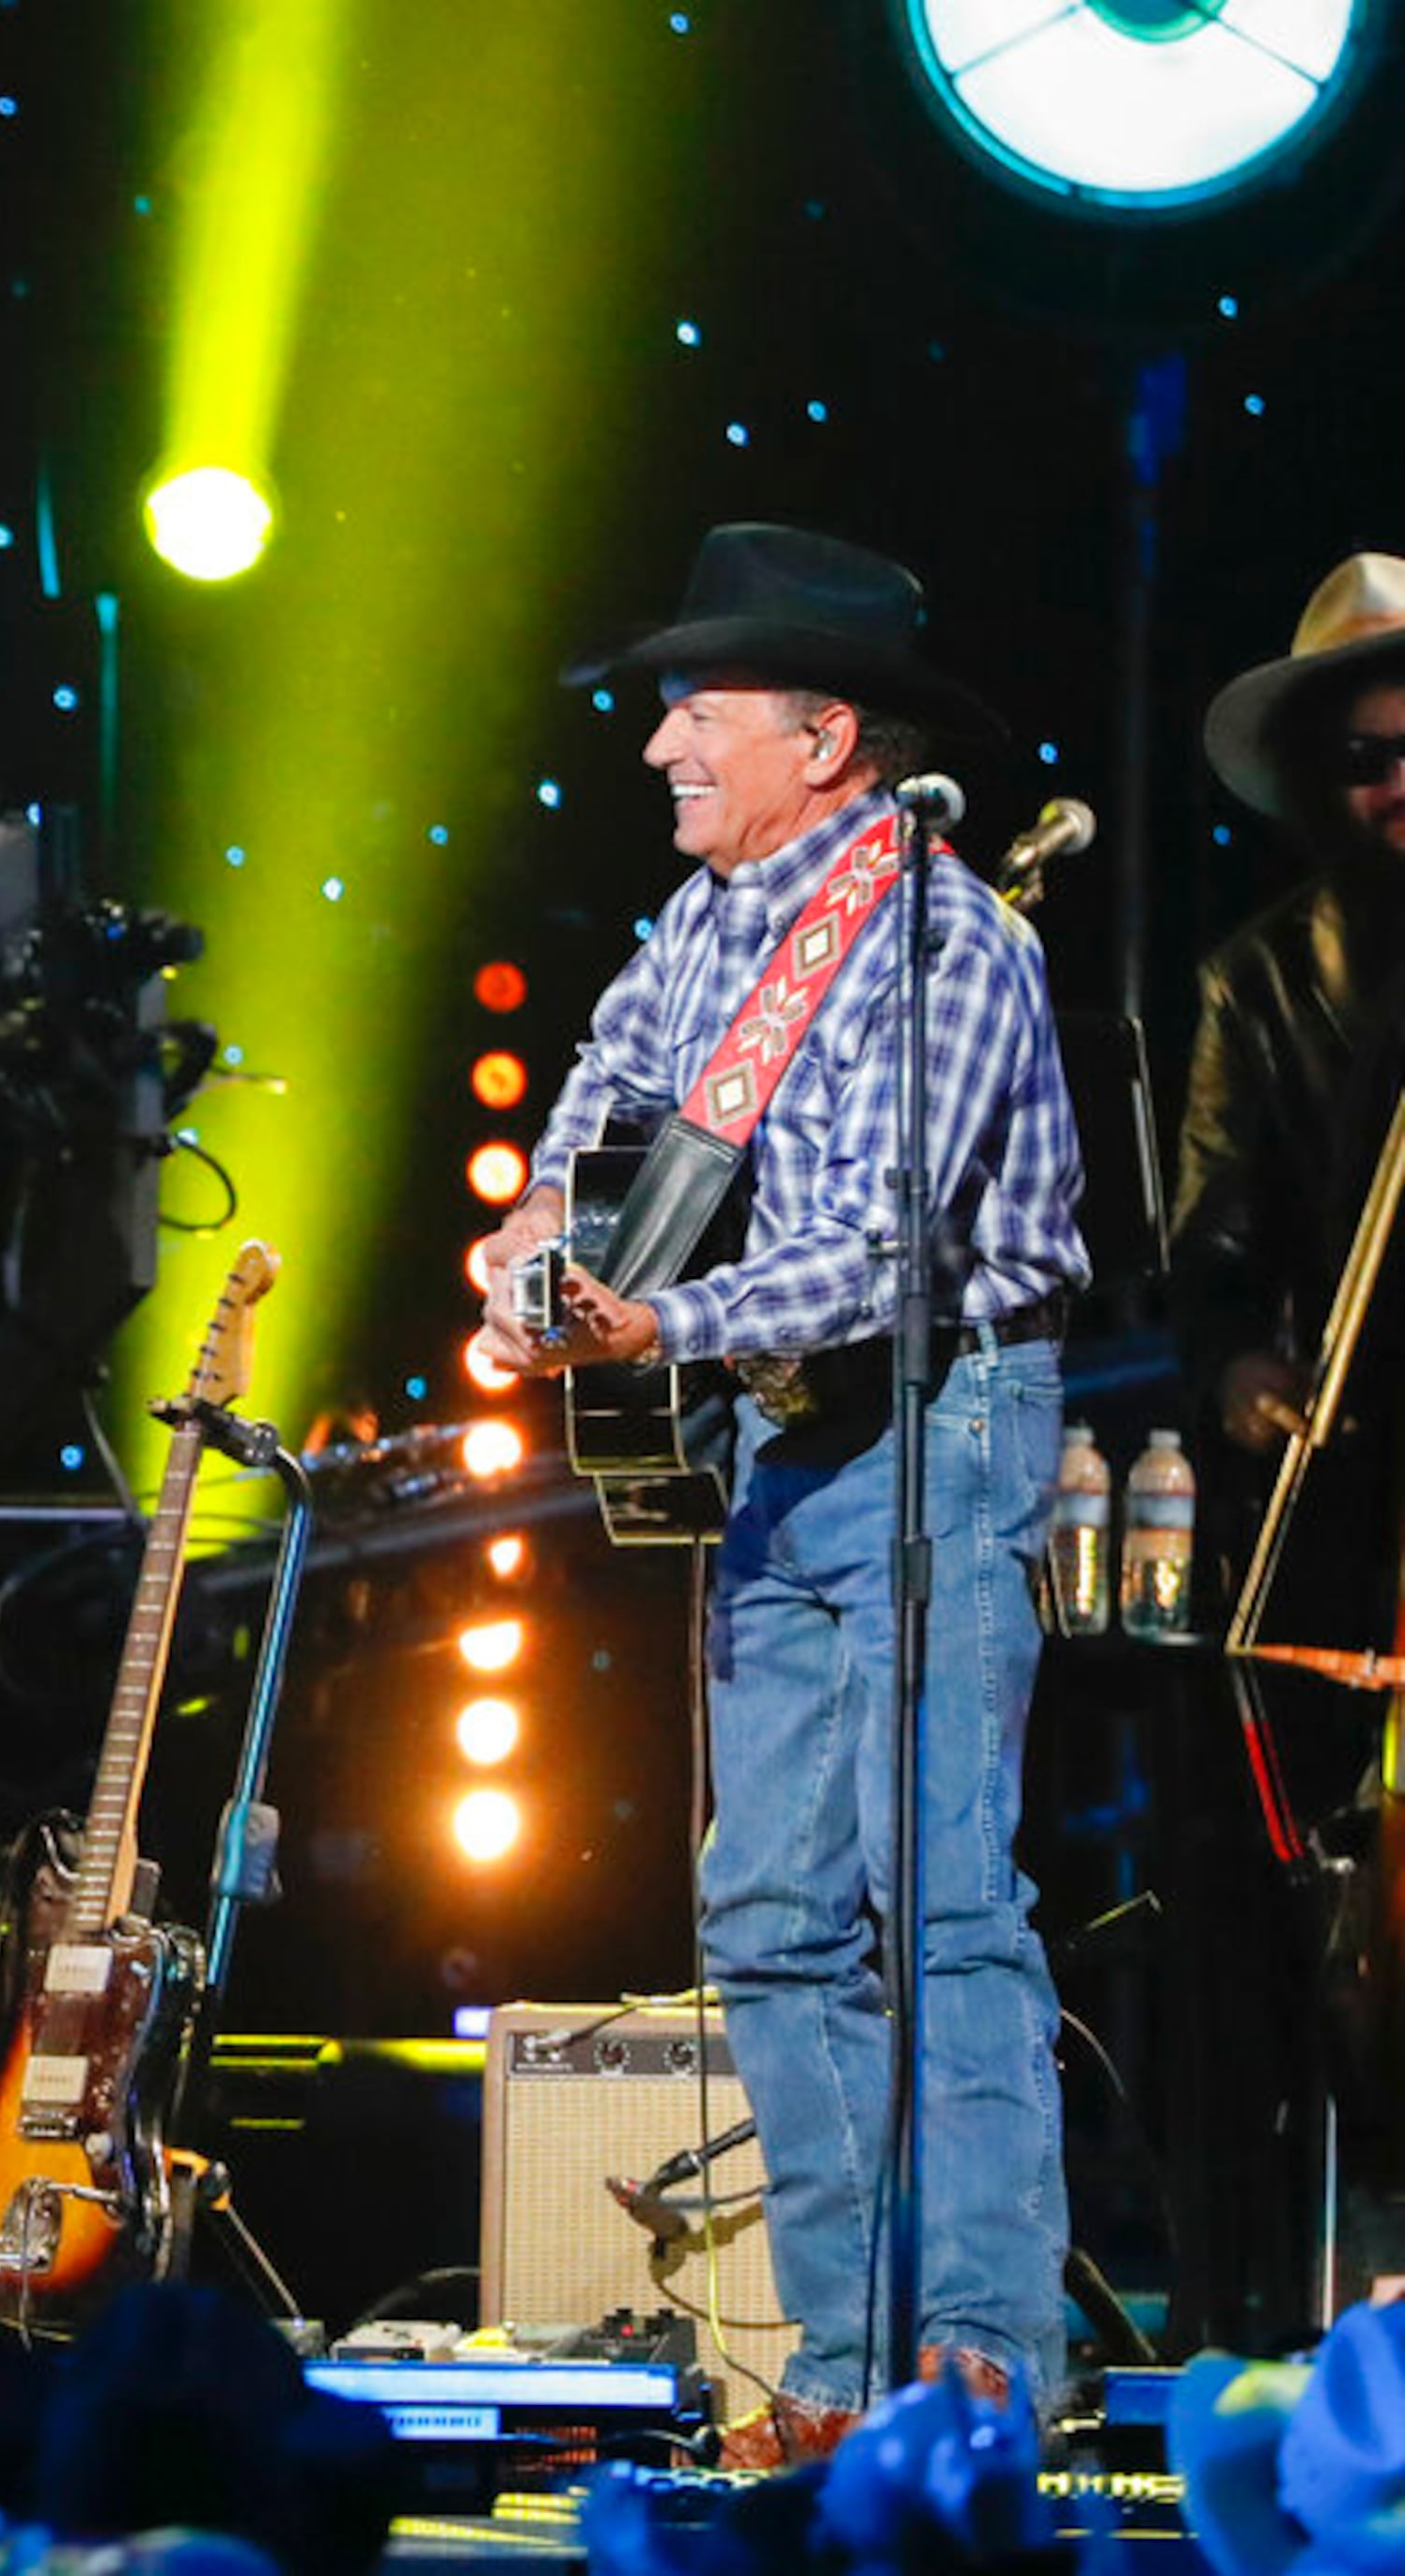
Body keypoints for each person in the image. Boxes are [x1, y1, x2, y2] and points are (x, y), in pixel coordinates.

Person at [476, 523, 1088, 2468]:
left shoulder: (947, 932)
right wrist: (536, 1265)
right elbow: (591, 1121)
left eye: (699, 708)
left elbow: (888, 1248)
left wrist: (658, 1318)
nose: (660, 741)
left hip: (944, 1417)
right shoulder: (701, 930)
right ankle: (848, 2359)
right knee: (770, 1908)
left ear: (824, 737)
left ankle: (985, 2352)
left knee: (951, 1898)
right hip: (778, 1432)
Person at [1176, 555, 1405, 1471]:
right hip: (1355, 1442)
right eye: (1364, 760)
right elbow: (1220, 1237)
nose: (1400, 786)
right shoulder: (1257, 977)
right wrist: (1236, 1365)